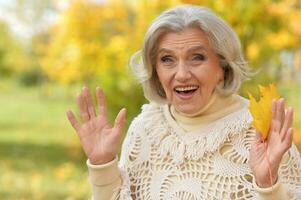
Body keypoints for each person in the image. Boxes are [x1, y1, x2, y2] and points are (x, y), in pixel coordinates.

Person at [66, 5, 301, 200]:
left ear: (223, 66)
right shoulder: (145, 130)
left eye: (197, 57)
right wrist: (102, 165)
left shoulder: (263, 133)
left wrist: (268, 186)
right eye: (167, 59)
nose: (181, 74)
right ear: (155, 70)